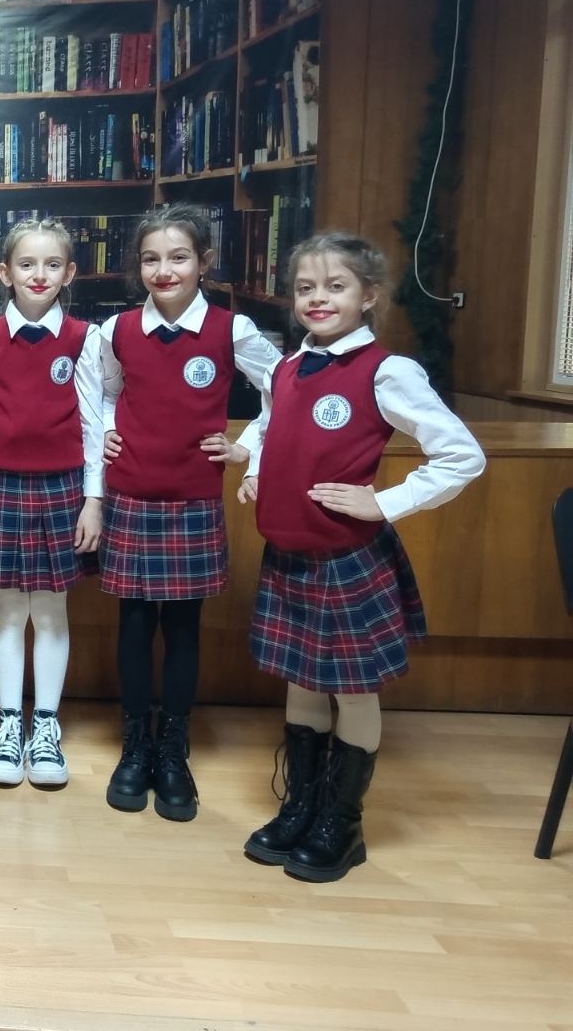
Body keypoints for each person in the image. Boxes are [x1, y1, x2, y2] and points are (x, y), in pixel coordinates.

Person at [237, 232, 483, 881]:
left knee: (351, 690)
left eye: (336, 286)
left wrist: (386, 502)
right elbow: (269, 426)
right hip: (289, 551)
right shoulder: (286, 367)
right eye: (305, 288)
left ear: (369, 295)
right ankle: (300, 806)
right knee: (301, 681)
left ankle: (341, 825)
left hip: (346, 556)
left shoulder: (386, 371)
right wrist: (256, 469)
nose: (318, 299)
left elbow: (462, 455)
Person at [97, 204, 281, 821]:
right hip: (130, 492)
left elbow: (287, 388)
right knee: (133, 624)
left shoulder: (232, 329)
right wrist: (105, 430)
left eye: (178, 257)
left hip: (193, 499)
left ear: (204, 261)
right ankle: (135, 744)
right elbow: (104, 391)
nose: (164, 270)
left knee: (181, 628)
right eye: (151, 258)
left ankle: (173, 747)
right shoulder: (118, 329)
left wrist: (247, 448)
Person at [0, 219, 103, 788]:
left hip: (63, 488)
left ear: (69, 274)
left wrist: (93, 500)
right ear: (4, 273)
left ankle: (45, 725)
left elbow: (94, 426)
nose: (38, 275)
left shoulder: (85, 338)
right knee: (8, 609)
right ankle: (8, 723)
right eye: (26, 264)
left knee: (49, 610)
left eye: (51, 265)